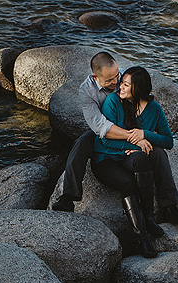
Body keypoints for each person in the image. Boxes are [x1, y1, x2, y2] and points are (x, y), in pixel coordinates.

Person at [91, 66, 178, 258]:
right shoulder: (113, 102)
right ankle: (143, 236)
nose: (120, 87)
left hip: (130, 158)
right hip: (109, 155)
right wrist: (137, 145)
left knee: (158, 152)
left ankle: (161, 211)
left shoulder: (154, 109)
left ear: (139, 89)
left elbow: (168, 141)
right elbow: (105, 138)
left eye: (126, 85)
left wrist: (145, 134)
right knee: (139, 165)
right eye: (122, 83)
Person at [51, 52, 142, 212]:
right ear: (95, 77)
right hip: (105, 132)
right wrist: (132, 137)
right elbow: (100, 126)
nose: (116, 82)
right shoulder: (87, 91)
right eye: (109, 80)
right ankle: (68, 197)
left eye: (116, 75)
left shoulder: (124, 78)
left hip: (127, 125)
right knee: (81, 143)